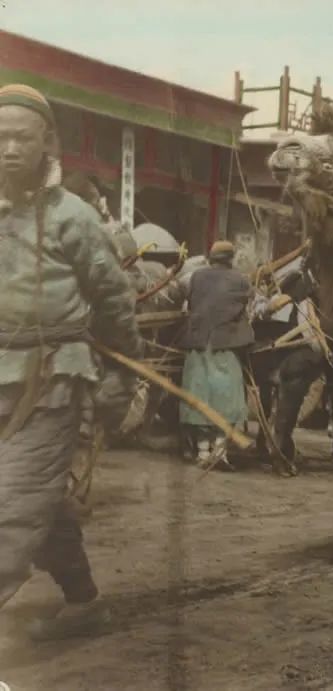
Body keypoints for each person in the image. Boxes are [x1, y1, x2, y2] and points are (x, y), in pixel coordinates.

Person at [0, 84, 143, 639]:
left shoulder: (73, 217)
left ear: (47, 143)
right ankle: (84, 602)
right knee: (39, 500)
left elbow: (114, 302)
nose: (10, 149)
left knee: (13, 505)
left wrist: (123, 379)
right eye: (0, 138)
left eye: (22, 138)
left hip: (53, 381)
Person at [178, 240, 254, 469]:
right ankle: (220, 451)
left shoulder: (195, 277)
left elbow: (182, 299)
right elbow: (250, 310)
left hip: (198, 345)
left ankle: (202, 452)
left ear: (210, 258)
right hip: (225, 347)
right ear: (231, 259)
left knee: (199, 398)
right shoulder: (241, 280)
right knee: (227, 400)